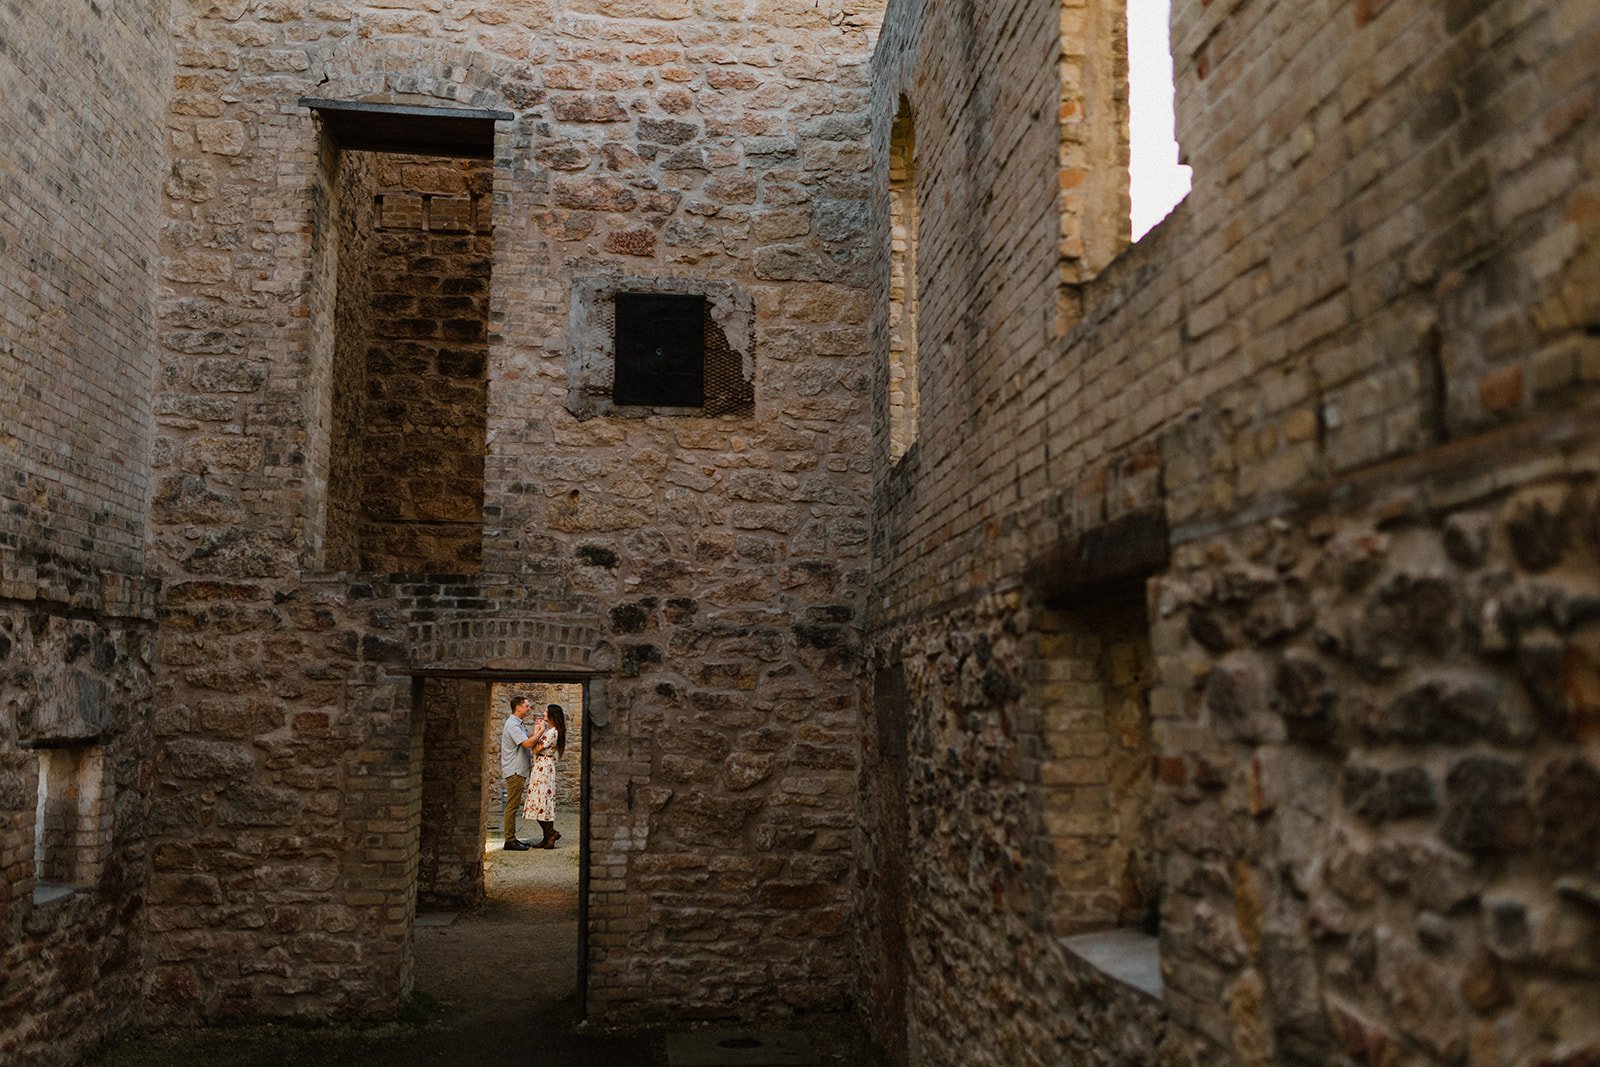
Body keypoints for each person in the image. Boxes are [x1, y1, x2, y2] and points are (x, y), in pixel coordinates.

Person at [522, 704, 567, 849]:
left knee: (540, 803)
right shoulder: (552, 731)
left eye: (546, 712)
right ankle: (548, 836)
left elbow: (534, 749)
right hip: (543, 767)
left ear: (553, 715)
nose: (544, 713)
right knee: (542, 804)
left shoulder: (552, 732)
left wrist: (538, 730)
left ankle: (551, 834)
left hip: (543, 769)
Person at [499, 695, 539, 851]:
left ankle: (512, 838)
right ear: (518, 707)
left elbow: (527, 737)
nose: (529, 708)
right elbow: (528, 743)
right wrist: (541, 731)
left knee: (513, 805)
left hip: (518, 770)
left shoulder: (517, 724)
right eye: (527, 706)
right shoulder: (513, 725)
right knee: (512, 806)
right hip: (515, 771)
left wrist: (537, 731)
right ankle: (509, 840)